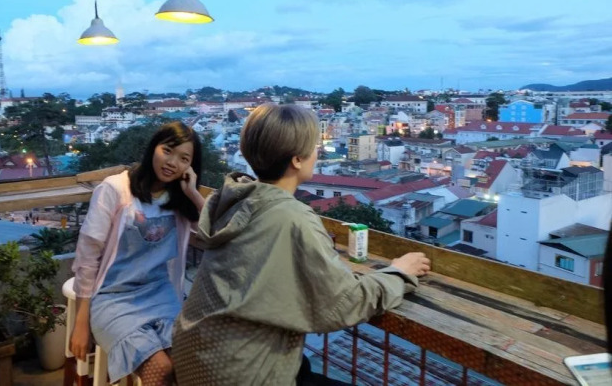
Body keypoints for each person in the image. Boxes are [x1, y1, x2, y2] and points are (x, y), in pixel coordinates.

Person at [172, 104, 431, 385]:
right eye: (314, 147)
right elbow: (344, 303)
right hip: (239, 372)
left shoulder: (234, 199)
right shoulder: (292, 217)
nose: (317, 153)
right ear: (297, 159)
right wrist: (399, 273)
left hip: (195, 356)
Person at [70, 122, 205, 385]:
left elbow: (214, 234)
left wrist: (193, 194)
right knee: (160, 369)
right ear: (153, 147)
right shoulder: (115, 189)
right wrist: (81, 321)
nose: (172, 163)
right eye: (167, 151)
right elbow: (87, 256)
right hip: (112, 297)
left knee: (188, 363)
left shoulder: (179, 199)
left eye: (184, 159)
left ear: (191, 166)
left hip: (160, 293)